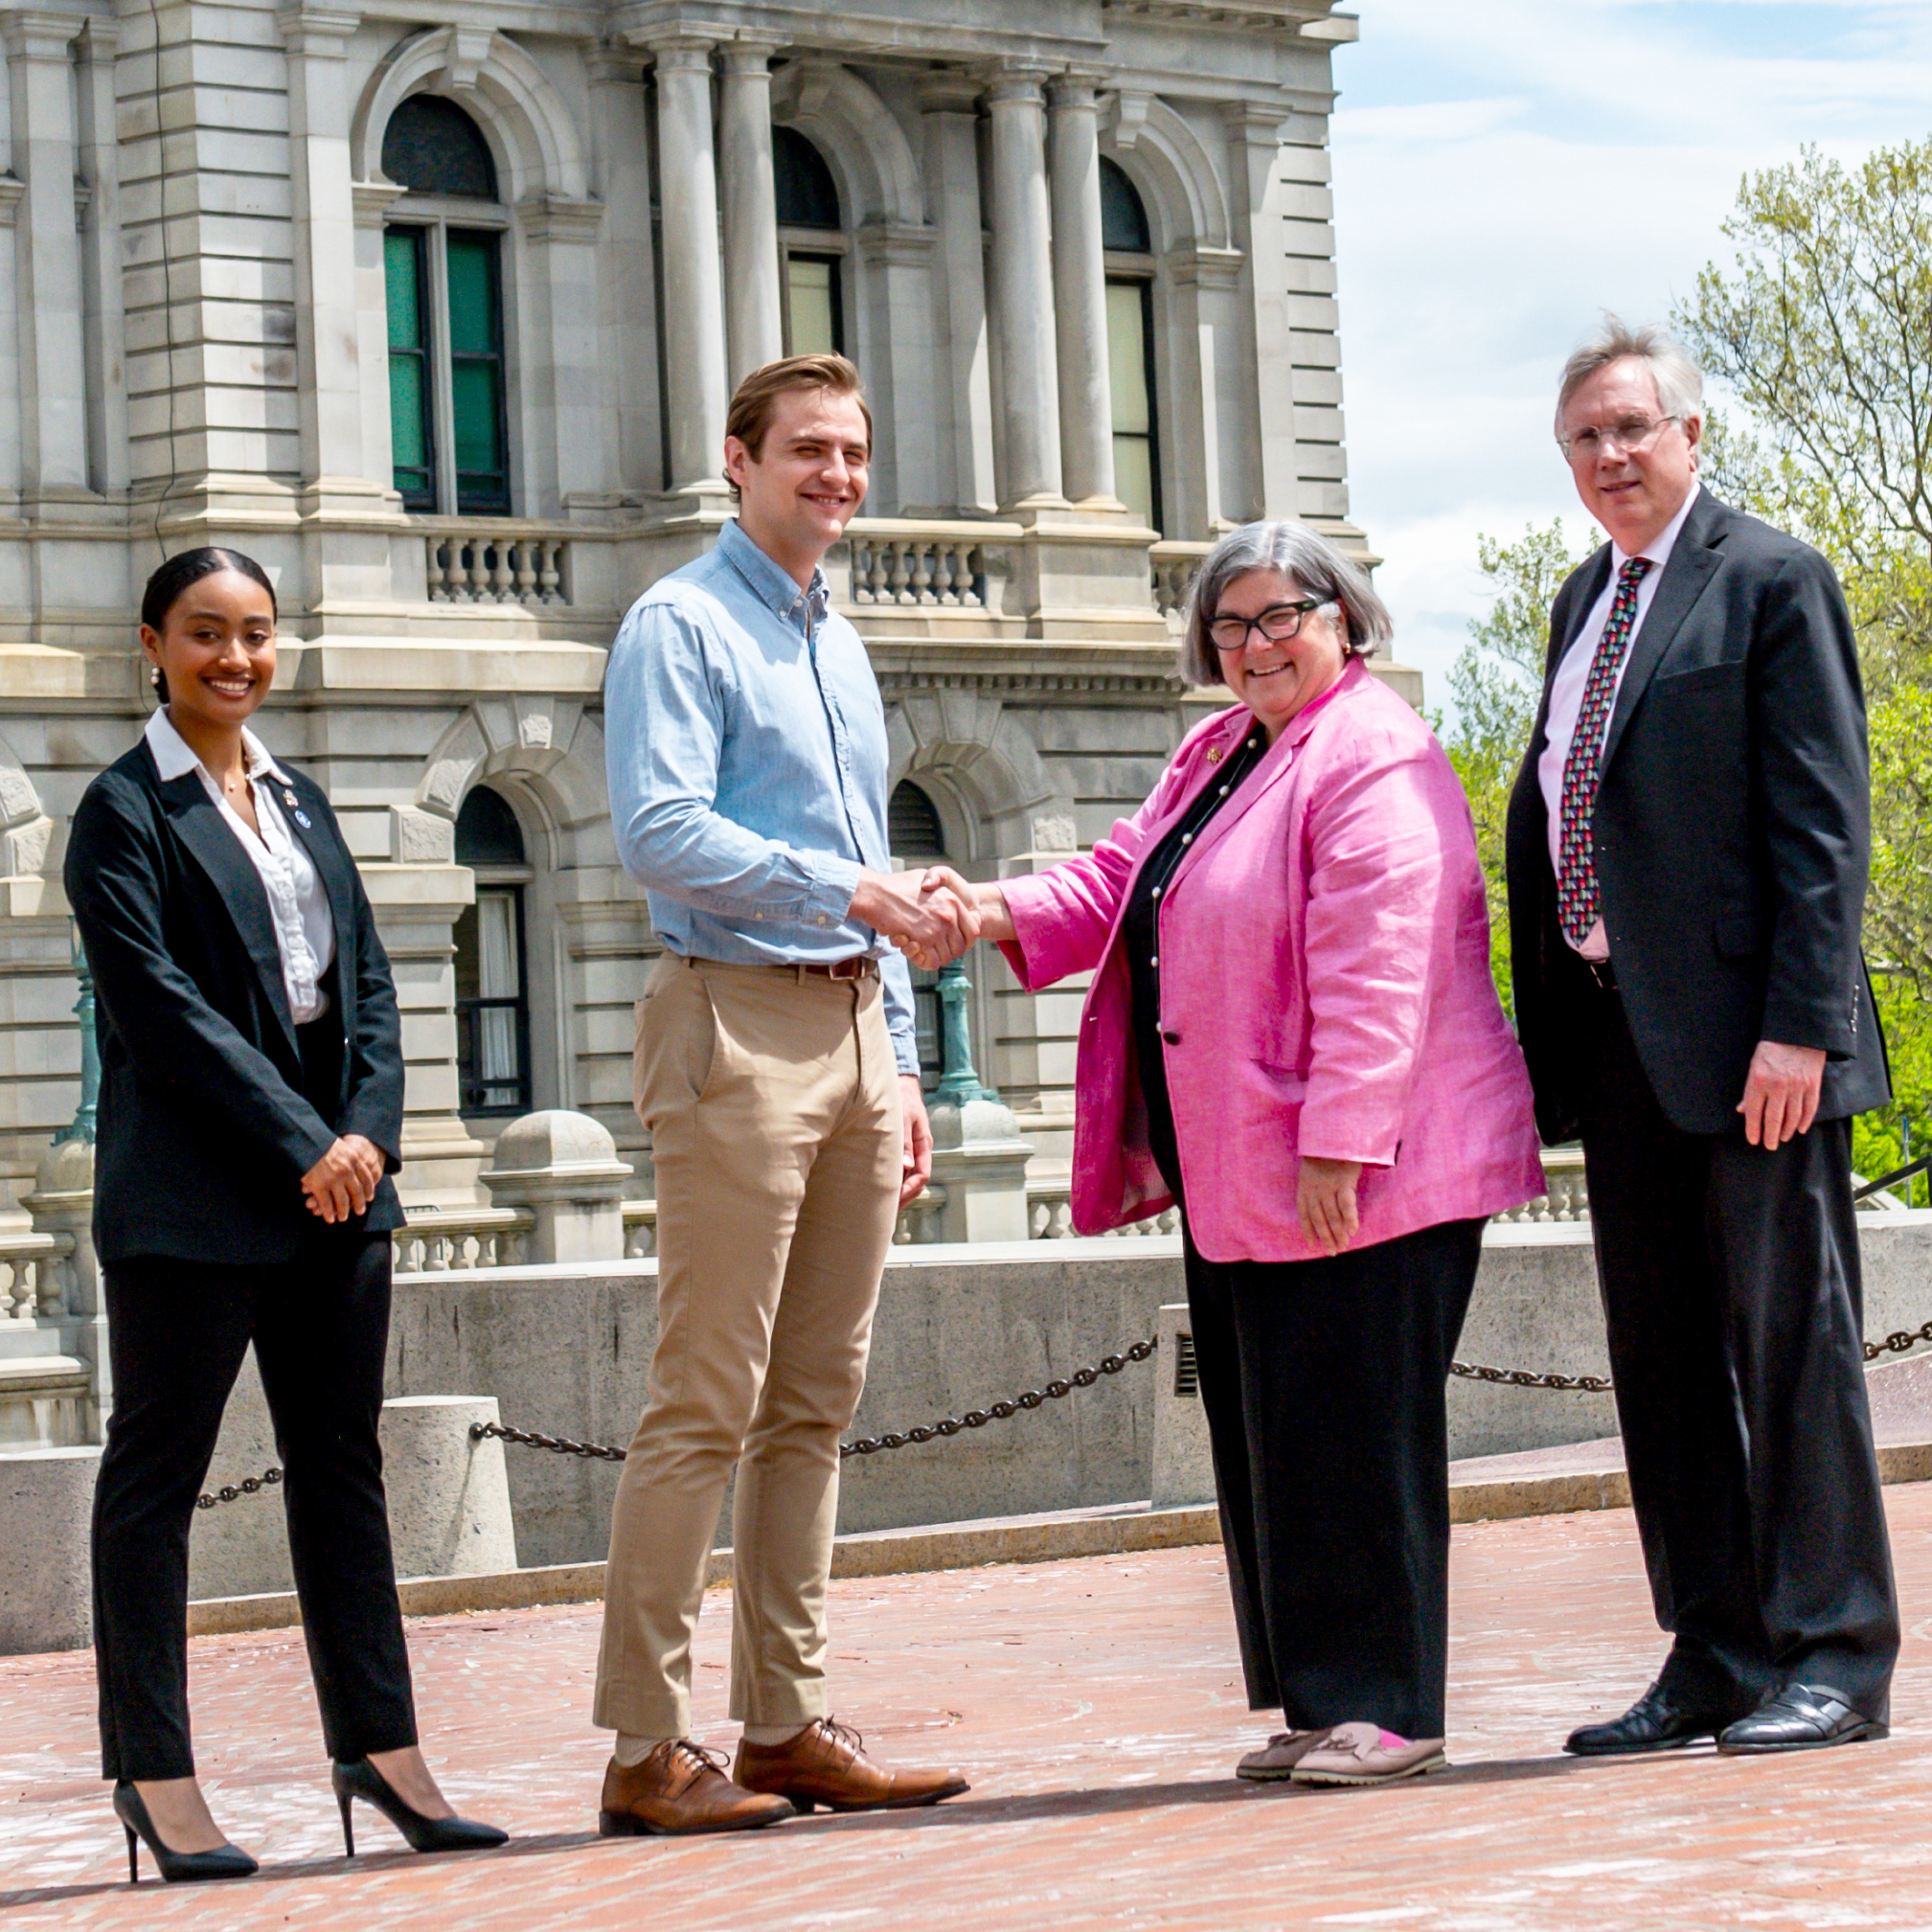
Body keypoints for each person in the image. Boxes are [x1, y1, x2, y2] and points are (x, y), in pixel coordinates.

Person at [961, 519, 1545, 1788]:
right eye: (1229, 624)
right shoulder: (1219, 750)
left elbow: (1381, 969)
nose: (1254, 643)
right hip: (1243, 1162)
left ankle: (1389, 1705)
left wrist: (1340, 1144)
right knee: (1279, 1431)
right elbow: (1119, 878)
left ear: (1345, 619)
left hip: (1368, 1168)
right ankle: (1322, 1695)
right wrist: (979, 908)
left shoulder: (1372, 754)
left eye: (1281, 614)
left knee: (1359, 1428)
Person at [65, 548, 507, 1883]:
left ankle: (380, 1748)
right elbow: (160, 1015)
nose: (235, 659)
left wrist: (368, 1133)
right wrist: (304, 1141)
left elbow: (367, 981)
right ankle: (155, 1773)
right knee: (156, 1487)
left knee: (342, 1475)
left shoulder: (303, 797)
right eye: (206, 634)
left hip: (338, 1200)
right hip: (194, 1205)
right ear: (153, 642)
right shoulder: (120, 812)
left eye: (257, 634)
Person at [1504, 318, 1898, 1757]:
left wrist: (1798, 1027)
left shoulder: (1771, 580)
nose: (1607, 455)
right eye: (1582, 439)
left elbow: (1820, 824)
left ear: (1687, 436)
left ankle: (1835, 1653)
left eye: (1628, 428)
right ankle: (1715, 1650)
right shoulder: (1577, 603)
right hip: (1621, 1045)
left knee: (1789, 1350)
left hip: (1753, 1049)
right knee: (1661, 1356)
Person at [594, 354, 974, 1835]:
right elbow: (659, 829)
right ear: (738, 460)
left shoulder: (841, 642)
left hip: (849, 1035)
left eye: (854, 452)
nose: (835, 474)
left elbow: (854, 850)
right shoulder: (678, 624)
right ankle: (642, 1747)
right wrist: (849, 893)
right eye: (807, 449)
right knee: (703, 1397)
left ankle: (782, 1720)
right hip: (729, 1025)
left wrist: (898, 1051)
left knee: (816, 1398)